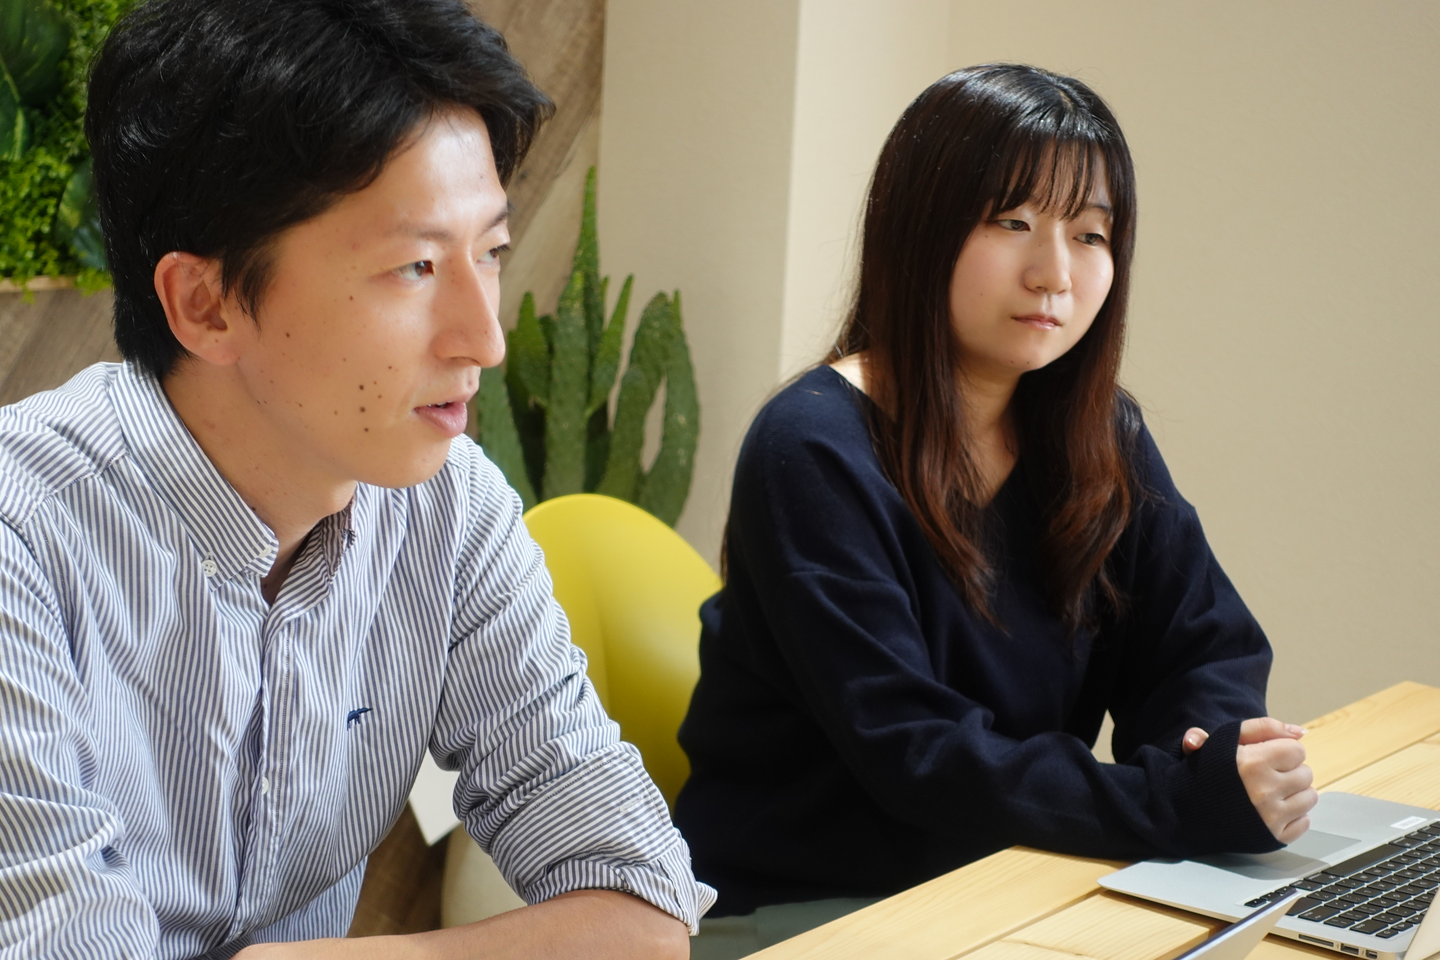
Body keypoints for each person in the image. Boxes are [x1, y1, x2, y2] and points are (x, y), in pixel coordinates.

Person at [0, 0, 711, 956]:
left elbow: (644, 909)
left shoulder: (449, 510)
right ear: (205, 304)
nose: (485, 339)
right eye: (414, 266)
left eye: (490, 253)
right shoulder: (21, 539)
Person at [674, 64, 1317, 923]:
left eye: (1090, 234)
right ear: (920, 230)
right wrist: (1174, 804)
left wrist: (1206, 753)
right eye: (1012, 222)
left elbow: (1201, 644)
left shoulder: (1100, 435)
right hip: (810, 909)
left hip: (1015, 877)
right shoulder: (812, 447)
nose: (1054, 273)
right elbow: (915, 753)